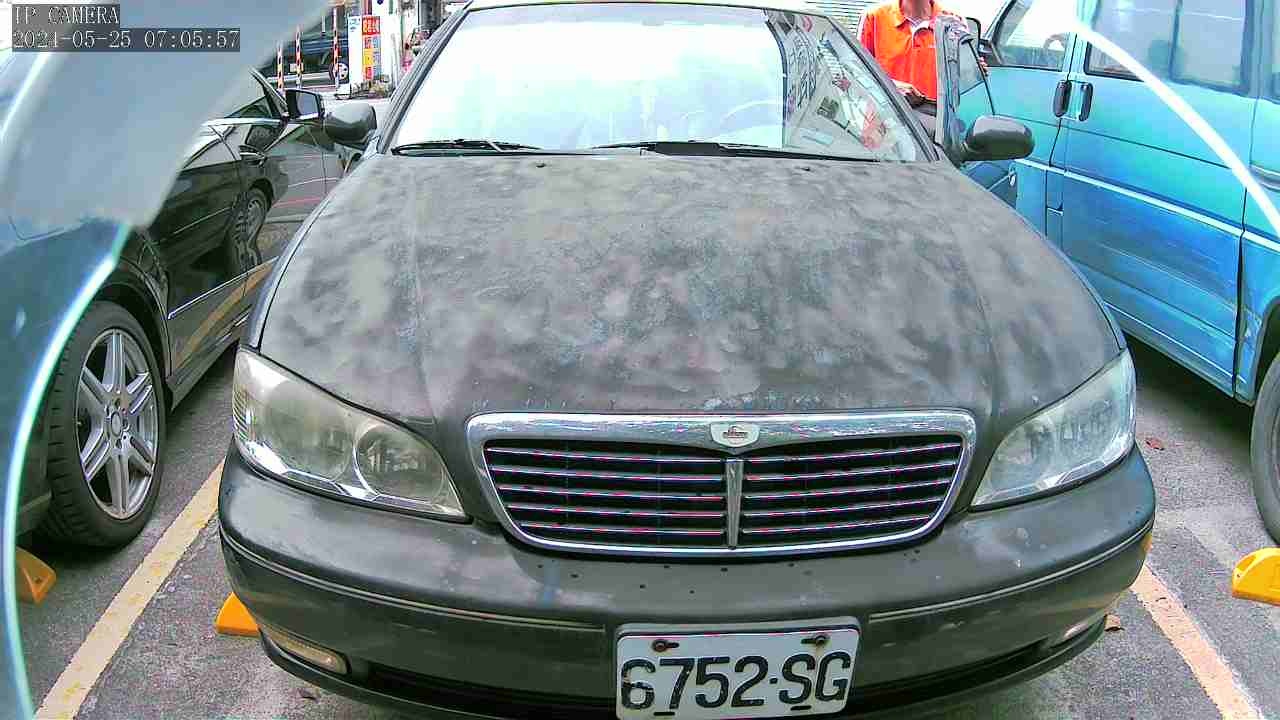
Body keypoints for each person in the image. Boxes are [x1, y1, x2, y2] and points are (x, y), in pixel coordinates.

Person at [858, 0, 957, 108]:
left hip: (935, 116)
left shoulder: (952, 22)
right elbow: (857, 75)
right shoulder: (875, 18)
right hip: (885, 115)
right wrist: (891, 88)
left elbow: (963, 83)